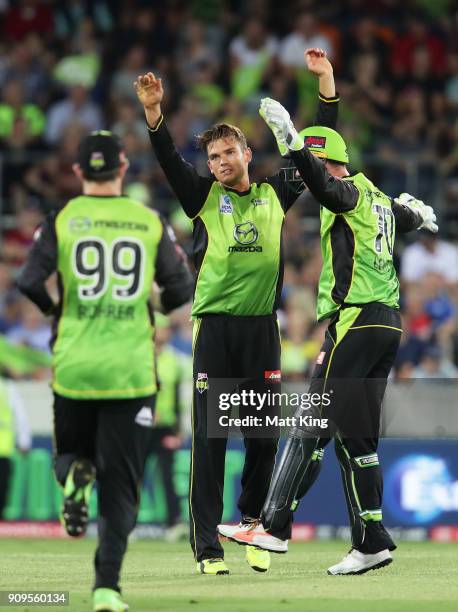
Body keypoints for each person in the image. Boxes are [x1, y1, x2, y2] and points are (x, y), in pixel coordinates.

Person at [134, 49, 340, 575]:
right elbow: (168, 162)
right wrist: (155, 116)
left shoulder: (275, 193)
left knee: (263, 437)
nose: (220, 162)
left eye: (229, 153)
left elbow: (312, 153)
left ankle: (252, 524)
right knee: (210, 441)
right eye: (213, 157)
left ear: (248, 152)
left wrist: (326, 87)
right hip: (216, 331)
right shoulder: (201, 197)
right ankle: (207, 547)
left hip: (260, 330)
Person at [222, 97, 438, 575]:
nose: (308, 177)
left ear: (329, 163)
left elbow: (326, 185)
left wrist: (293, 143)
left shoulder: (348, 192)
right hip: (386, 323)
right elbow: (401, 215)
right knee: (356, 441)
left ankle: (273, 527)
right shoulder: (378, 198)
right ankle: (372, 541)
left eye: (314, 164)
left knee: (310, 422)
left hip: (355, 320)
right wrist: (416, 215)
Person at [18, 130, 193, 612]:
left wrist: (58, 309)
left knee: (70, 454)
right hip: (132, 372)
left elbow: (28, 280)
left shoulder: (64, 218)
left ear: (77, 173)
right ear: (122, 170)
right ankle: (106, 590)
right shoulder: (148, 221)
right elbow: (180, 288)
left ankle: (76, 473)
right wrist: (151, 303)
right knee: (120, 488)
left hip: (74, 364)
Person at [149, 313, 188, 541]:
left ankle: (173, 523)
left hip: (165, 429)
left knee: (167, 477)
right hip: (141, 426)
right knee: (133, 477)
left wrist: (178, 431)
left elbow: (179, 398)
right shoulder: (140, 359)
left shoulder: (174, 361)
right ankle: (127, 523)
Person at [0, 376, 31, 518]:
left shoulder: (7, 387)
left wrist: (24, 441)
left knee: (2, 488)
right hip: (3, 450)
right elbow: (21, 415)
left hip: (3, 449)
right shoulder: (7, 387)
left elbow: (20, 415)